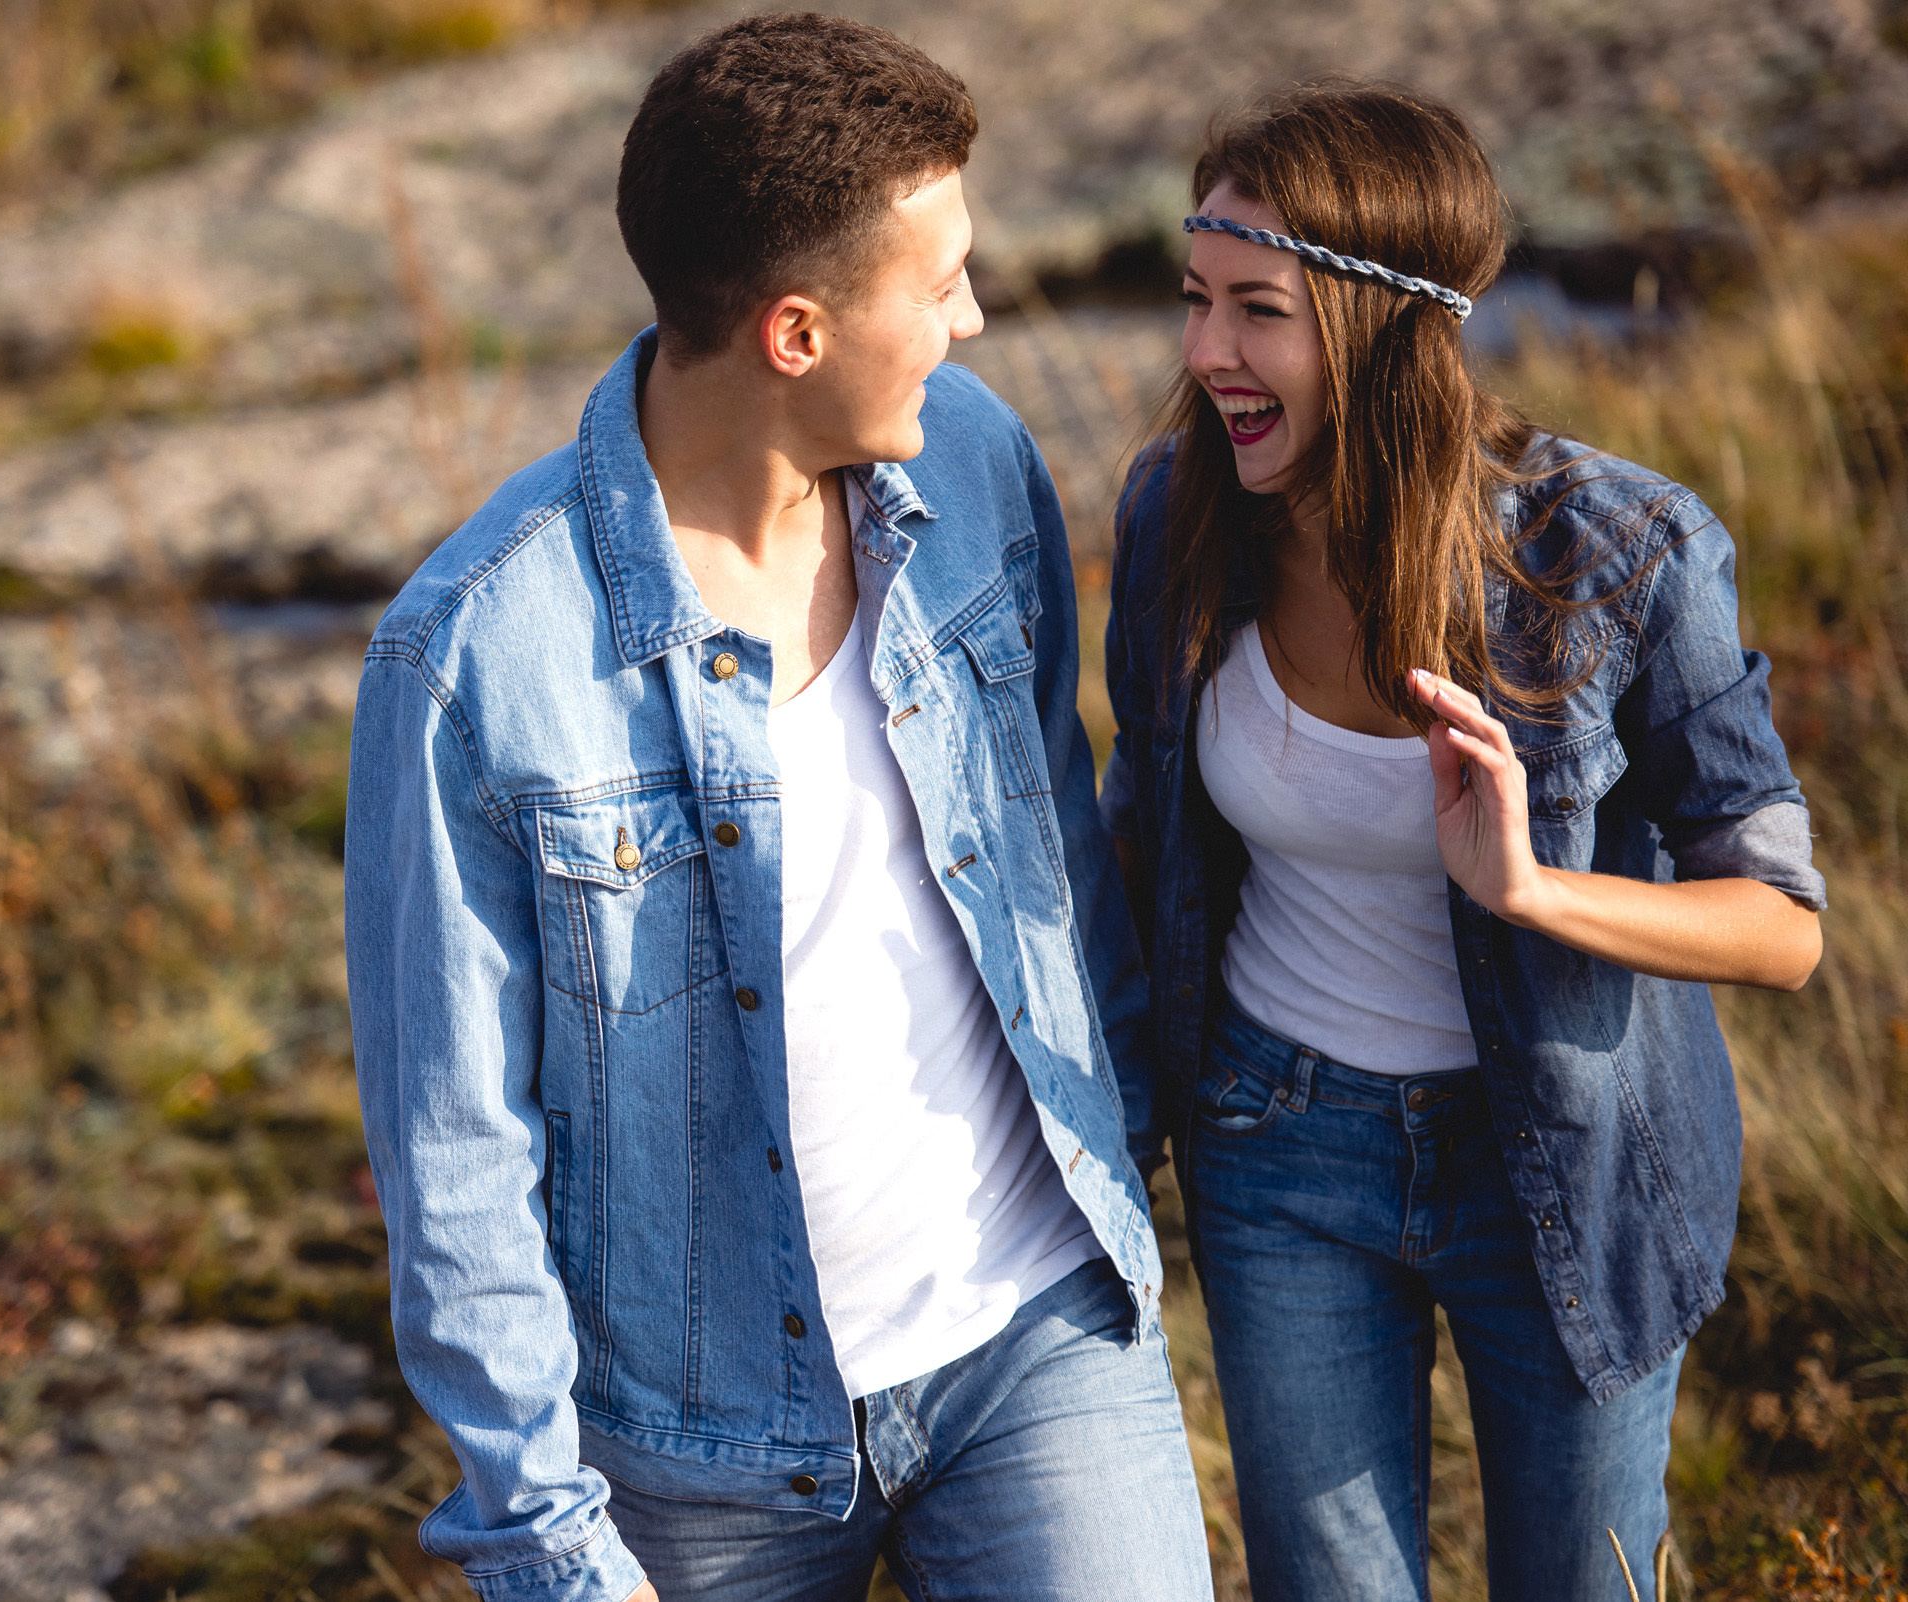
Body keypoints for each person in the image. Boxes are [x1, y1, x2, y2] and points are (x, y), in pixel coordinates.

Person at [346, 14, 1212, 1602]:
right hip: (692, 1450)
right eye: (934, 282)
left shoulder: (974, 466)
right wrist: (551, 1544)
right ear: (796, 332)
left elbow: (1055, 838)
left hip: (1028, 1333)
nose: (967, 317)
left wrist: (1123, 1138)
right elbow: (456, 1152)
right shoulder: (476, 656)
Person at [1103, 81, 1826, 1602]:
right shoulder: (1179, 514)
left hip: (1562, 1153)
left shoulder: (1620, 553)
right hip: (1276, 1145)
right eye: (1195, 301)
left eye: (1256, 311)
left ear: (1382, 328)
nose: (1206, 354)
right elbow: (1143, 833)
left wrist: (1531, 889)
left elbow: (1782, 921)